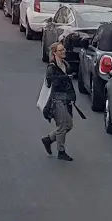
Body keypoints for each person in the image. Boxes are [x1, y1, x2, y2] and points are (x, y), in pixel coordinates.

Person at [41, 32, 78, 161]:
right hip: (56, 99)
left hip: (65, 99)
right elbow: (50, 81)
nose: (63, 51)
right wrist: (64, 77)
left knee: (69, 125)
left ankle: (49, 139)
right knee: (62, 126)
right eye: (60, 50)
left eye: (63, 49)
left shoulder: (64, 64)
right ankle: (61, 152)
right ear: (54, 53)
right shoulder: (52, 67)